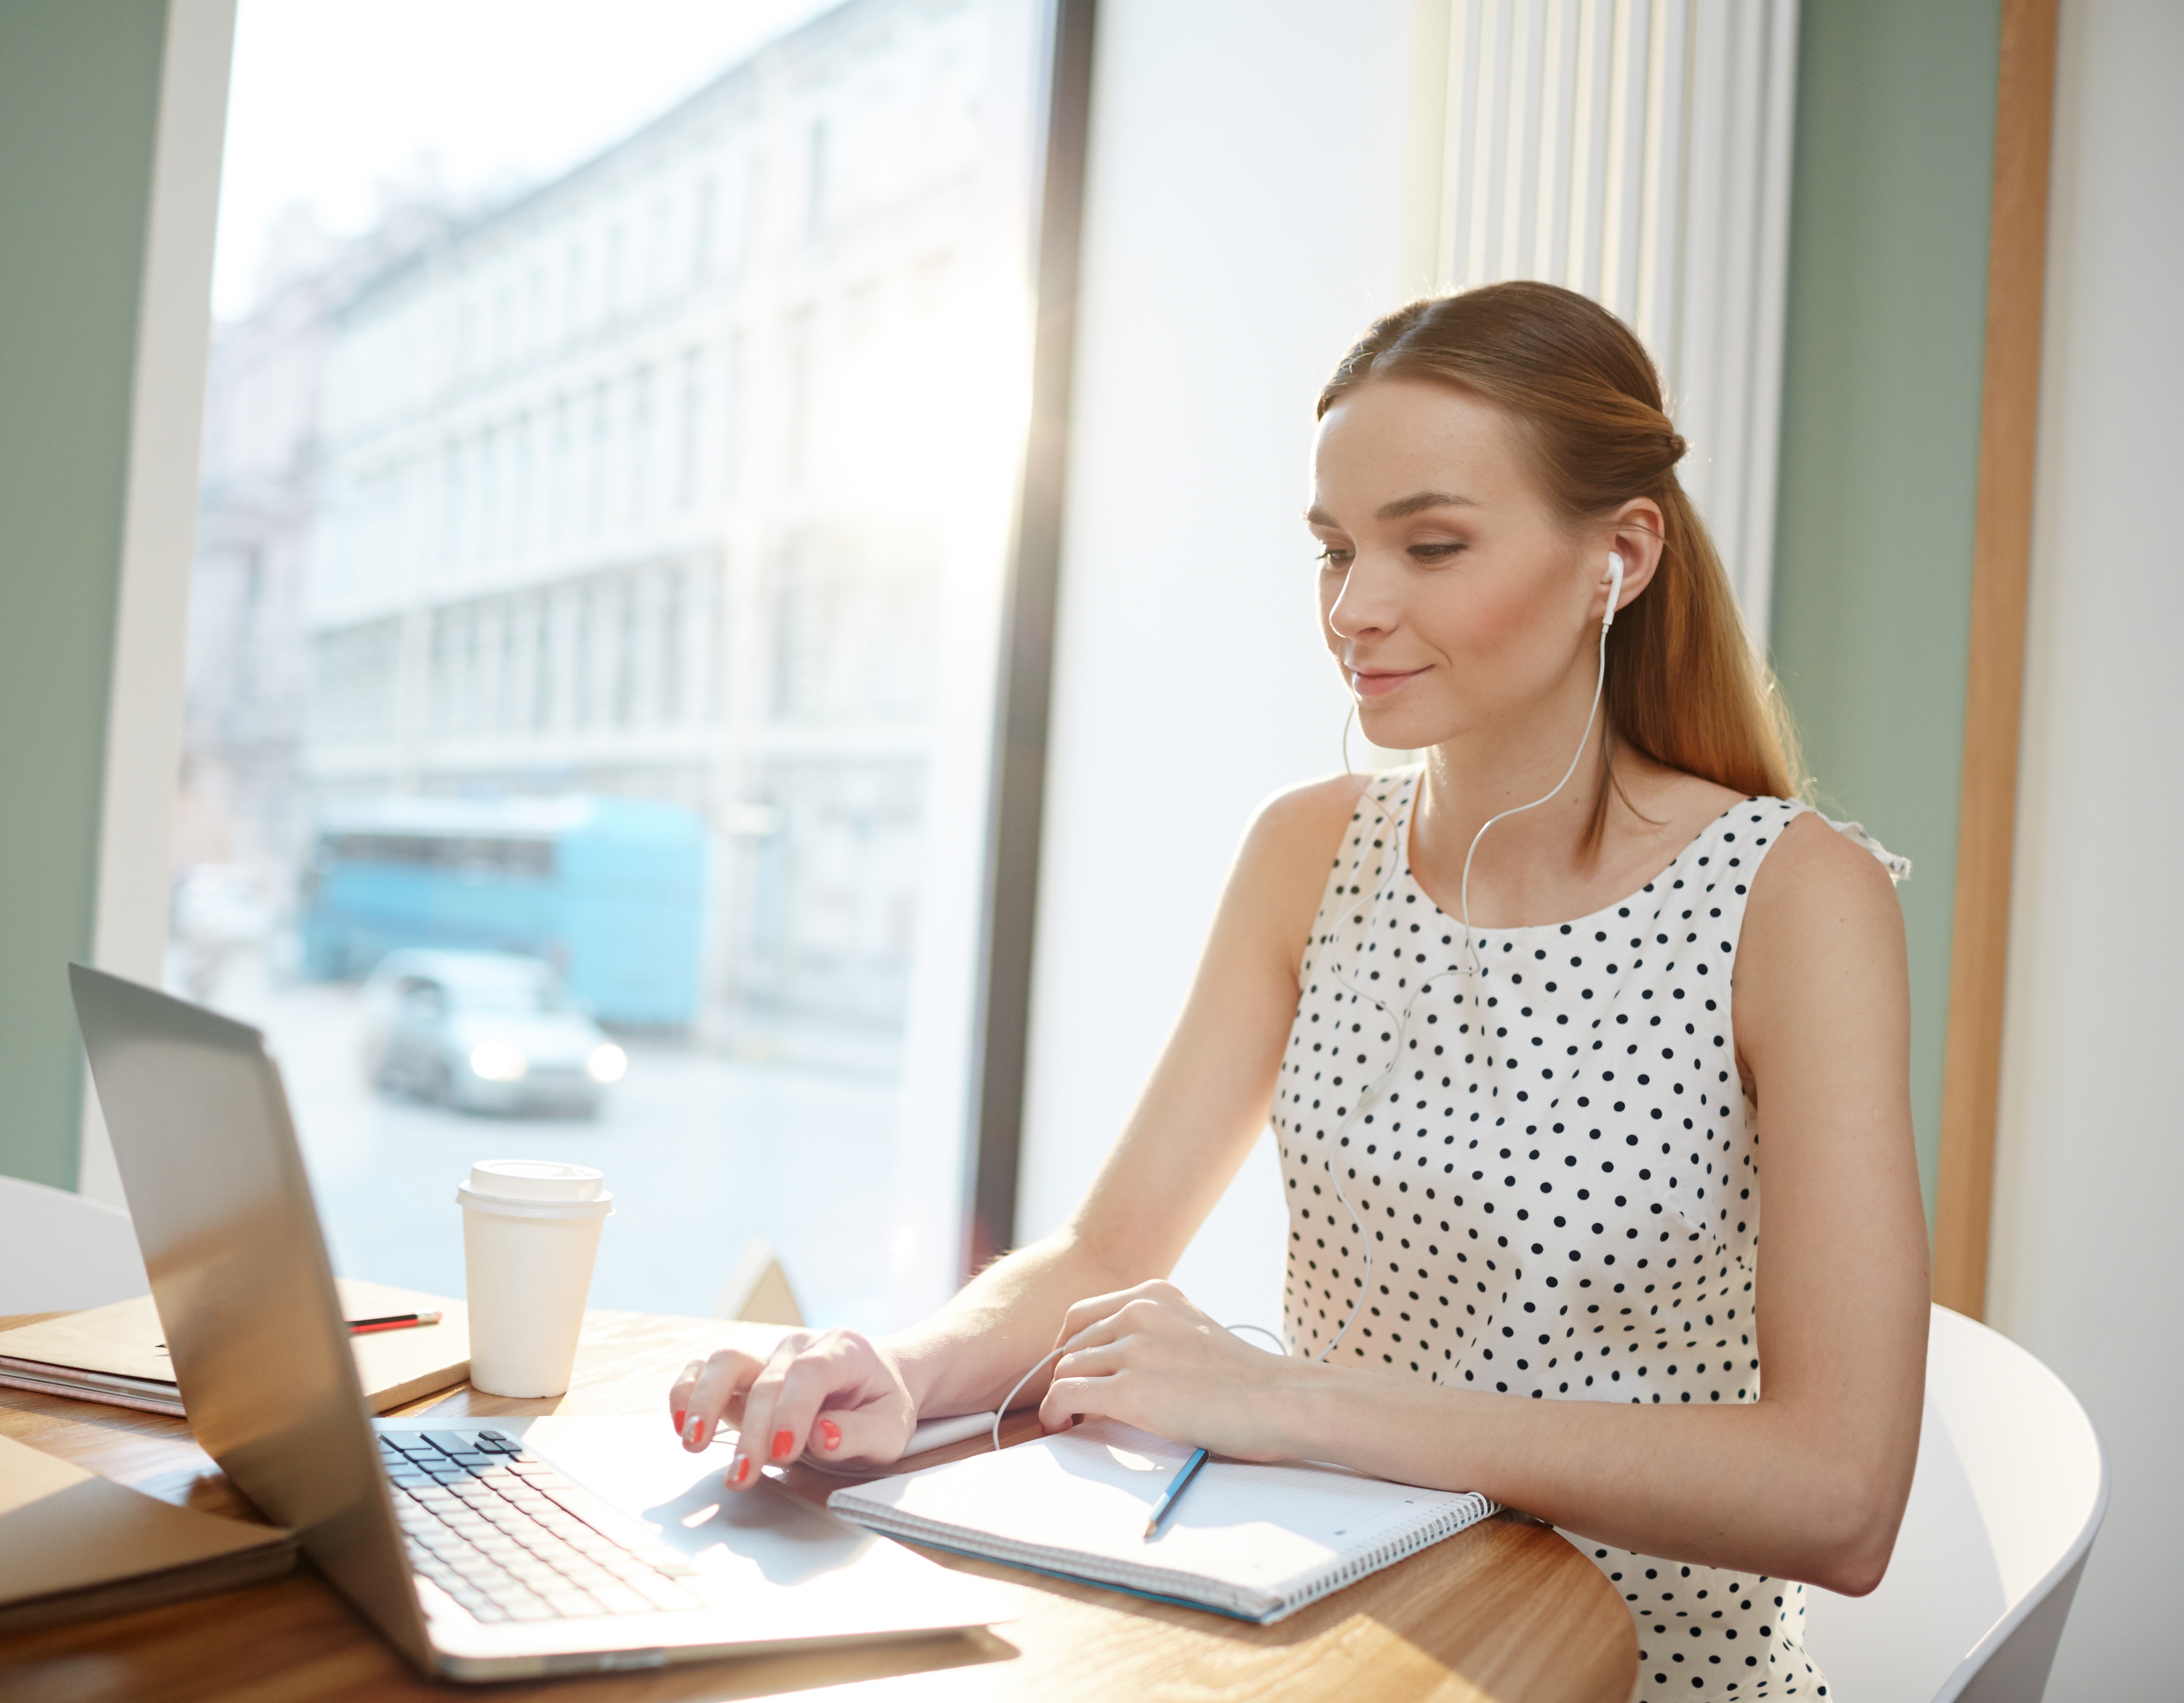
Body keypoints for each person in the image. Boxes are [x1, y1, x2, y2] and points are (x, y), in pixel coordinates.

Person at [669, 280, 1927, 1699]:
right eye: (1334, 550)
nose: (1356, 608)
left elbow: (1839, 1495)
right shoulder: (1308, 852)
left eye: (1431, 546)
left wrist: (1297, 1404)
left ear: (1619, 558)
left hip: (1629, 1676)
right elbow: (1107, 1248)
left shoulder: (1793, 897)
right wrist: (903, 1370)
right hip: (1337, 1647)